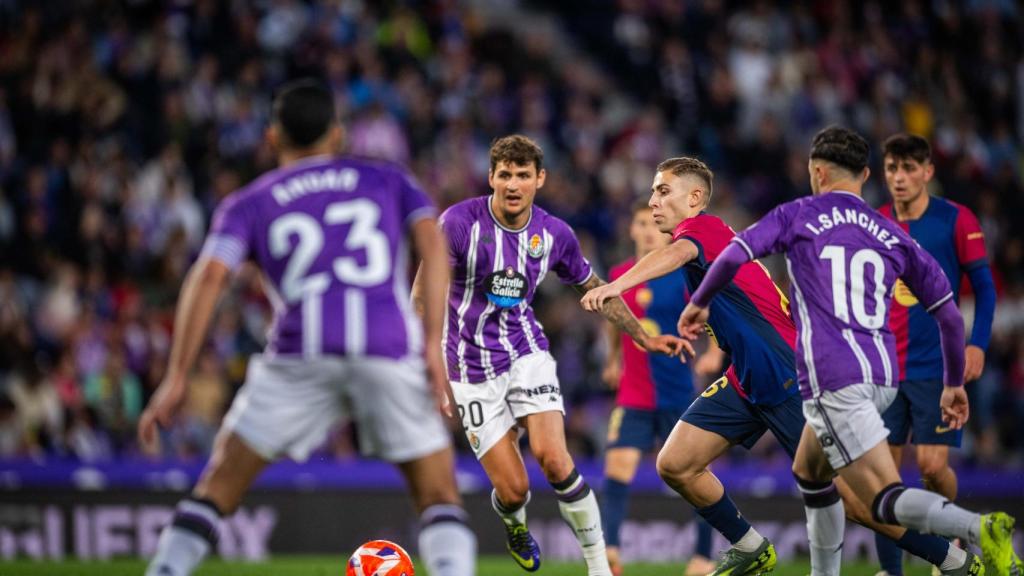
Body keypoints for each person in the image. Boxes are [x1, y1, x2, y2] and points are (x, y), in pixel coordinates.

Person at [581, 156, 983, 576]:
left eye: (663, 191)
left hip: (788, 375)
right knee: (675, 463)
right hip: (749, 378)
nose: (654, 201)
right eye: (652, 192)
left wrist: (617, 285)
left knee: (857, 503)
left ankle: (955, 561)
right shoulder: (709, 239)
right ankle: (751, 547)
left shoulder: (703, 229)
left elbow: (678, 252)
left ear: (695, 198)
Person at [139, 80, 477, 576]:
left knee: (217, 488)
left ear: (273, 137)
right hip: (385, 346)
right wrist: (432, 343)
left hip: (299, 357)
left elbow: (210, 275)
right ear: (337, 135)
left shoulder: (249, 203)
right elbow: (433, 241)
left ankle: (164, 570)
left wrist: (176, 377)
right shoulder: (388, 180)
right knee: (438, 494)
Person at [678, 126, 1019, 576]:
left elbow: (732, 257)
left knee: (878, 498)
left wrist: (699, 302)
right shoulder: (890, 232)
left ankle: (974, 531)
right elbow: (951, 317)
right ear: (865, 174)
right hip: (883, 375)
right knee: (810, 474)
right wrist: (954, 383)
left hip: (833, 378)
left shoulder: (797, 215)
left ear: (816, 172)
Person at [413, 134, 688, 576]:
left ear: (540, 179)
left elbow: (595, 288)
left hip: (527, 355)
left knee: (555, 459)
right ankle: (514, 523)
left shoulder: (554, 234)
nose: (513, 184)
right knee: (515, 488)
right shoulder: (459, 224)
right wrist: (427, 368)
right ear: (491, 178)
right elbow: (424, 295)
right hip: (468, 369)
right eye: (505, 175)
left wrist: (643, 337)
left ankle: (599, 568)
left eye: (523, 175)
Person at [873, 134, 998, 576]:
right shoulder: (875, 222)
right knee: (881, 479)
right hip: (884, 368)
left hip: (936, 367)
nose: (900, 178)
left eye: (909, 169)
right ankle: (891, 570)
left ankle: (953, 533)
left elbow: (984, 288)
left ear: (928, 171)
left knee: (930, 467)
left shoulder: (955, 220)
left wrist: (976, 343)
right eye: (892, 169)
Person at [600, 201, 716, 576]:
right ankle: (611, 556)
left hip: (676, 391)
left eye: (653, 224)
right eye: (640, 224)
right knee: (618, 468)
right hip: (633, 393)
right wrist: (614, 358)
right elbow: (612, 317)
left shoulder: (681, 275)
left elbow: (710, 310)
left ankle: (702, 557)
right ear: (631, 230)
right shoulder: (619, 275)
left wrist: (714, 352)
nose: (648, 230)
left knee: (693, 474)